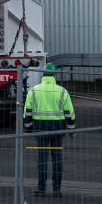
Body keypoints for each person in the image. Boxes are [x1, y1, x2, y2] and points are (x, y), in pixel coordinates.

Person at [23, 63, 75, 197]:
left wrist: (28, 128)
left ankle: (41, 189)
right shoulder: (62, 91)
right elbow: (69, 112)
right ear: (55, 75)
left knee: (42, 159)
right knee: (57, 159)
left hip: (40, 127)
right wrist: (71, 129)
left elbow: (27, 111)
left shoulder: (33, 90)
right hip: (58, 127)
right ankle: (57, 189)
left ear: (43, 75)